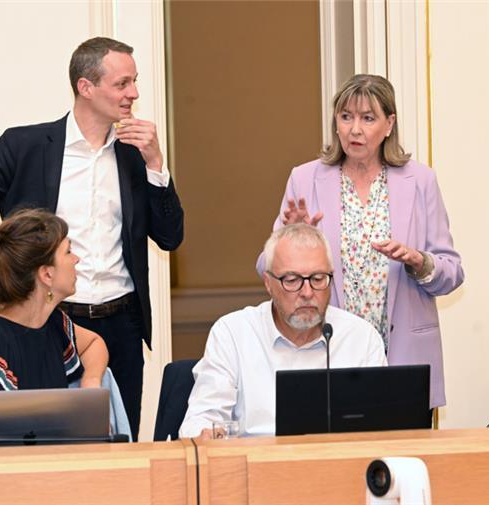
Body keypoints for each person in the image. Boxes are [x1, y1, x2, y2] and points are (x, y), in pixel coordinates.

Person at [0, 37, 184, 440]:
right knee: (39, 445)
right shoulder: (25, 147)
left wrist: (157, 165)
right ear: (86, 87)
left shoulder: (135, 154)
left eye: (135, 82)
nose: (134, 94)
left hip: (120, 327)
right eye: (122, 84)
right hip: (44, 325)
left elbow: (171, 238)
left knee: (117, 449)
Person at [256, 74, 463, 409]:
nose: (355, 129)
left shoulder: (420, 180)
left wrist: (419, 262)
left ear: (389, 124)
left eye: (368, 118)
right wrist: (289, 241)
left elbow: (452, 272)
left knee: (403, 459)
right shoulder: (305, 178)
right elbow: (265, 269)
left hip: (404, 357)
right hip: (330, 354)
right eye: (346, 116)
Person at [181, 224, 387, 438]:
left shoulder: (361, 338)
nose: (307, 292)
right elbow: (200, 420)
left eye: (318, 279)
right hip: (256, 464)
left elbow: (384, 429)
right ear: (268, 284)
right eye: (292, 280)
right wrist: (206, 435)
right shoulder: (233, 333)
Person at [0, 209, 108, 393]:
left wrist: (90, 382)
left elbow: (94, 344)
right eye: (68, 252)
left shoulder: (54, 324)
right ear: (47, 274)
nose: (76, 259)